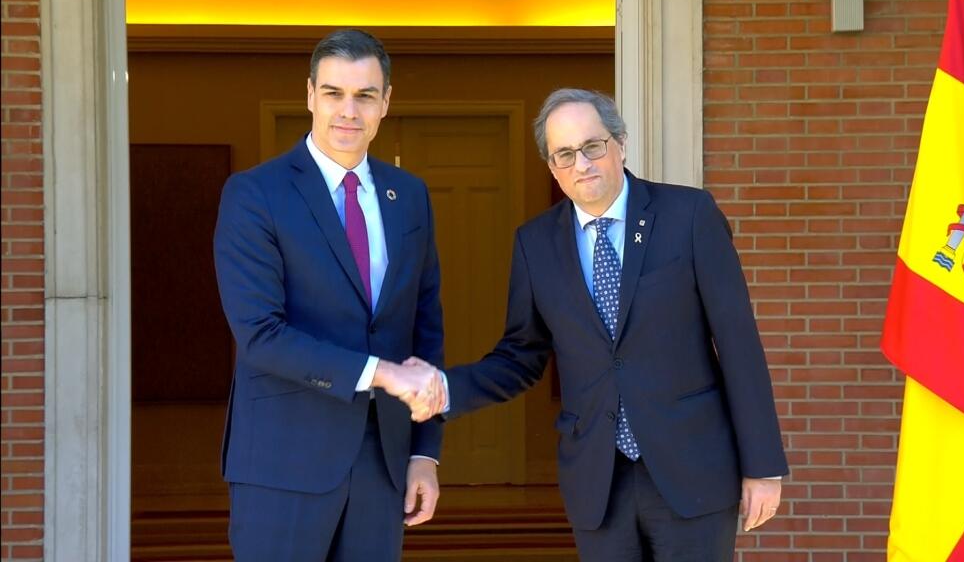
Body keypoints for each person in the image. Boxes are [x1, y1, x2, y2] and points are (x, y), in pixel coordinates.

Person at [406, 88, 788, 561]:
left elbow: (737, 343)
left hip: (694, 472)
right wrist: (445, 387)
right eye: (565, 154)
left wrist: (763, 467)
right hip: (598, 483)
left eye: (593, 146)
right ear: (552, 168)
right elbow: (521, 355)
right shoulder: (535, 244)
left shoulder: (688, 215)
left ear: (620, 144)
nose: (581, 163)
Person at [213, 29, 446, 562]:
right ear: (310, 95)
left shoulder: (409, 196)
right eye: (334, 93)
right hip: (282, 461)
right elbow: (260, 335)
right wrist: (384, 373)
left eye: (365, 95)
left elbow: (424, 329)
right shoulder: (256, 194)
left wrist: (424, 454)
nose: (349, 110)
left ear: (385, 103)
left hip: (382, 463)